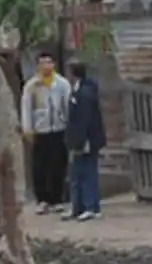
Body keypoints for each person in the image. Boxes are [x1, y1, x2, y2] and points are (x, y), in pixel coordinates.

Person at [21, 51, 72, 215]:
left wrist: (69, 125)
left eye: (49, 62)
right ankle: (42, 199)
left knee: (58, 165)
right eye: (42, 63)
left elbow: (68, 105)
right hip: (40, 130)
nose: (46, 66)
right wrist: (28, 128)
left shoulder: (62, 84)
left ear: (54, 64)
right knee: (40, 167)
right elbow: (26, 108)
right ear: (38, 66)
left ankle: (57, 199)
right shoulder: (32, 86)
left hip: (58, 129)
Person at [63, 60, 106, 221]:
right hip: (78, 139)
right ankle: (77, 206)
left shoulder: (85, 93)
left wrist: (83, 140)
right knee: (76, 173)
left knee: (87, 172)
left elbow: (85, 120)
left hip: (86, 140)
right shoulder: (78, 91)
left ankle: (91, 207)